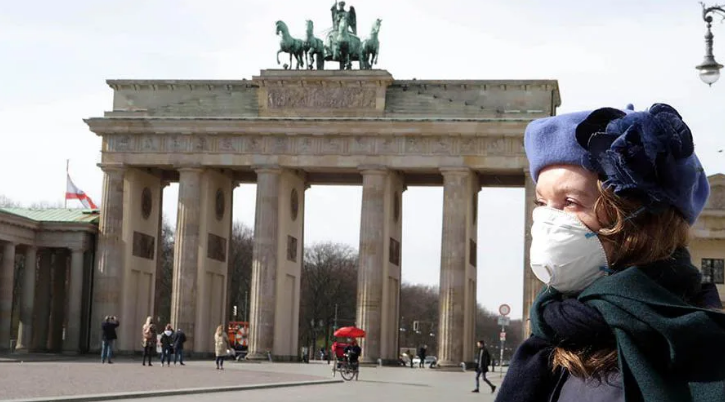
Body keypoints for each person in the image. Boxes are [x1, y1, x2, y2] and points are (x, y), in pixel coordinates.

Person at [495, 104, 725, 402]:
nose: (547, 220)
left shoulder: (707, 353)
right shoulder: (550, 333)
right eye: (541, 203)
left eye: (570, 202)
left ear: (636, 221)